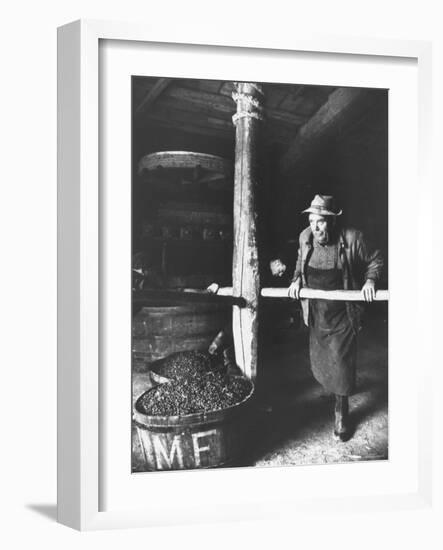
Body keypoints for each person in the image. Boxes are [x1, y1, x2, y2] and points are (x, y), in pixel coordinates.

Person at [288, 194, 383, 441]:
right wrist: (296, 279)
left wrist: (370, 280)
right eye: (311, 221)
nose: (315, 227)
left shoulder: (353, 238)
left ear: (331, 222)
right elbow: (299, 262)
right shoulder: (305, 237)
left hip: (343, 313)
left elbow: (376, 259)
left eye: (320, 221)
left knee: (341, 363)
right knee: (322, 358)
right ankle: (334, 392)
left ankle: (342, 411)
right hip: (318, 311)